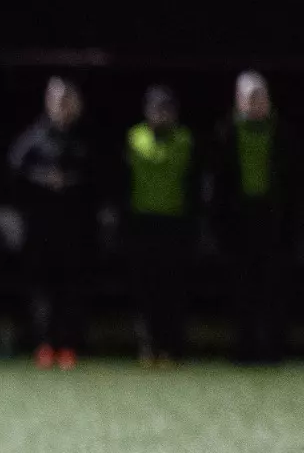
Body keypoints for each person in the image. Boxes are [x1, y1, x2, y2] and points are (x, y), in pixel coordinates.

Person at [8, 76, 94, 368]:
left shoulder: (86, 139)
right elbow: (14, 176)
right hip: (40, 229)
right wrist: (44, 181)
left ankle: (69, 345)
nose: (62, 105)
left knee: (72, 289)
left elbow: (101, 179)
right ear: (48, 102)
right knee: (41, 290)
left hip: (76, 230)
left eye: (67, 99)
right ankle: (44, 345)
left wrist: (72, 182)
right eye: (57, 99)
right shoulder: (32, 138)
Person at [209, 72, 294, 364]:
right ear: (238, 100)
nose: (255, 102)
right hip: (239, 219)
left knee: (273, 287)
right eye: (249, 97)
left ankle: (273, 349)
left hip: (274, 218)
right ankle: (244, 349)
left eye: (259, 95)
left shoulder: (282, 131)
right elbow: (218, 181)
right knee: (242, 287)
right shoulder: (226, 131)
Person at [125, 85, 196, 365]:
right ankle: (147, 346)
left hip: (175, 224)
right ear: (147, 112)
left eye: (167, 109)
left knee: (173, 289)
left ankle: (172, 347)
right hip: (143, 224)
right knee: (145, 290)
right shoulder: (134, 138)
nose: (161, 114)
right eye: (157, 108)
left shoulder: (185, 140)